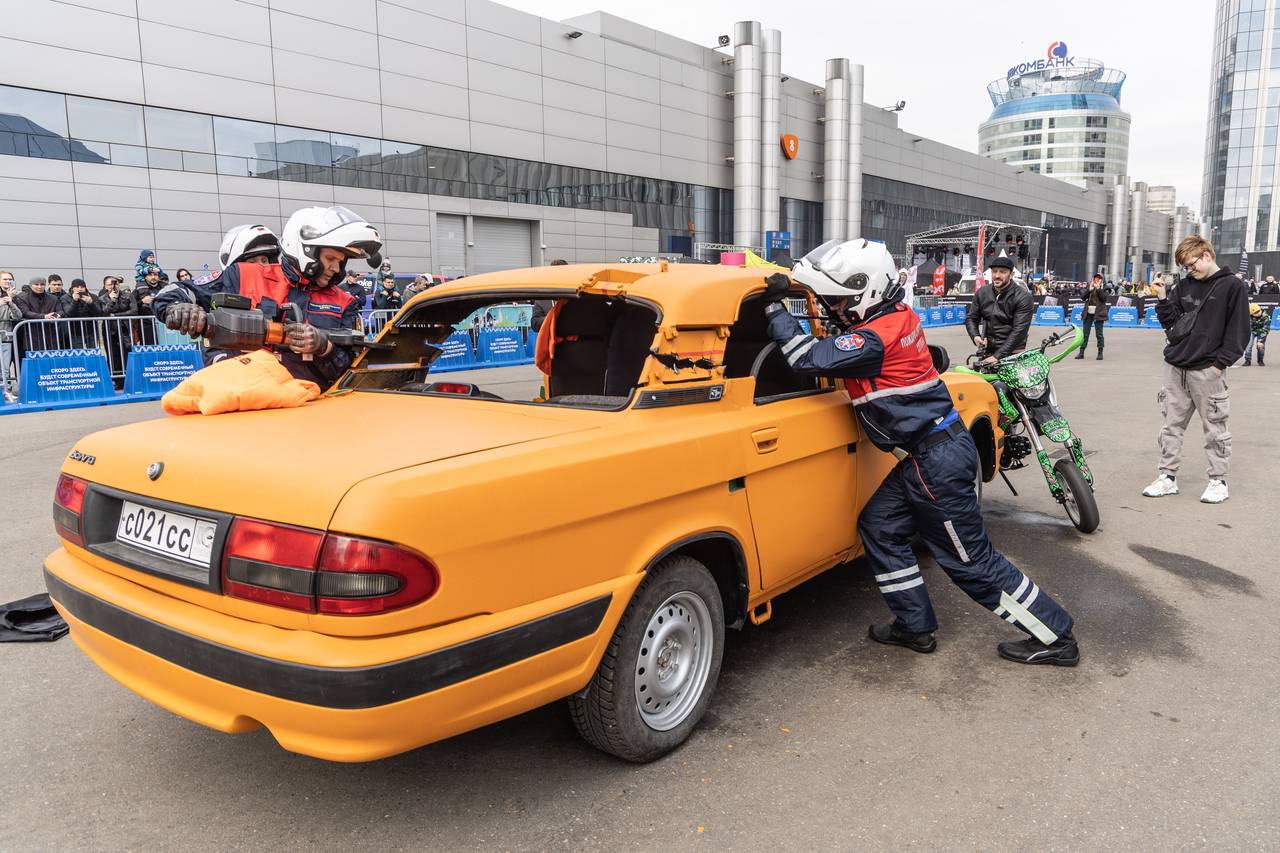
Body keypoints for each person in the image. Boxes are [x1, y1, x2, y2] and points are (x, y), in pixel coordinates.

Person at [762, 239, 1079, 665]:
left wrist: (774, 309)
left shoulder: (872, 339)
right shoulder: (899, 316)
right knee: (879, 526)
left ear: (865, 292)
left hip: (936, 462)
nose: (835, 309)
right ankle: (914, 626)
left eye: (839, 301)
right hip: (934, 453)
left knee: (971, 563)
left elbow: (805, 358)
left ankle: (1056, 636)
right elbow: (856, 343)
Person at [161, 208, 381, 386]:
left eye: (341, 262)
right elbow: (174, 292)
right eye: (331, 258)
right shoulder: (243, 274)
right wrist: (180, 308)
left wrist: (324, 348)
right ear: (305, 250)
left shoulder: (345, 302)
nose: (336, 268)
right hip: (247, 404)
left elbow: (351, 369)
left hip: (313, 410)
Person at [1143, 236, 1250, 504]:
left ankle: (1218, 480)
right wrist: (1163, 296)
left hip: (1208, 370)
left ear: (1206, 255)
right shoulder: (1184, 285)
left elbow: (1239, 330)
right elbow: (1172, 326)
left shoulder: (1232, 286)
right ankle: (1167, 477)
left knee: (1215, 427)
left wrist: (1219, 365)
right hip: (1175, 366)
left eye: (1192, 265)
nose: (1190, 270)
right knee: (1171, 426)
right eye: (1186, 267)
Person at [964, 255, 1033, 366]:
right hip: (987, 350)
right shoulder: (982, 292)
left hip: (1013, 353)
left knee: (1007, 384)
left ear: (1012, 274)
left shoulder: (1023, 296)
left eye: (1002, 272)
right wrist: (975, 336)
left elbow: (1019, 331)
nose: (997, 275)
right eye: (994, 271)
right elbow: (971, 318)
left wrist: (997, 356)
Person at [1075, 273, 1108, 360]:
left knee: (1099, 334)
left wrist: (1098, 289)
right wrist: (1089, 290)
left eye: (1099, 278)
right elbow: (1082, 297)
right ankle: (1081, 352)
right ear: (1093, 279)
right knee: (1085, 334)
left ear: (1101, 280)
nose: (1097, 280)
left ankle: (1100, 353)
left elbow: (1104, 299)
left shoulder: (1104, 288)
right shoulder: (1089, 287)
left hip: (1099, 313)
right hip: (1088, 313)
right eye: (1096, 278)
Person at [62, 279, 103, 348]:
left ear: (85, 287)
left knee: (93, 352)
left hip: (91, 331)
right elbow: (68, 314)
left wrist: (91, 303)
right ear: (72, 288)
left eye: (82, 287)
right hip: (75, 331)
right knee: (78, 353)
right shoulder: (65, 298)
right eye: (77, 287)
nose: (80, 289)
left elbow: (99, 313)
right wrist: (75, 301)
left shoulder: (93, 296)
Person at [0, 271, 20, 400]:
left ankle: (4, 394)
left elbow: (17, 316)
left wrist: (11, 301)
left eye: (10, 279)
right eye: (5, 279)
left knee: (5, 369)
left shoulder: (14, 295)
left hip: (6, 337)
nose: (8, 281)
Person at [1244, 302, 1269, 366]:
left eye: (1258, 311)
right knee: (1248, 346)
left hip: (1261, 332)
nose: (1258, 313)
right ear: (1252, 314)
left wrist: (1261, 341)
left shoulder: (1265, 316)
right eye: (1255, 313)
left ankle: (1260, 360)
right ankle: (1247, 360)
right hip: (1252, 331)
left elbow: (1265, 330)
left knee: (1260, 347)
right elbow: (1247, 327)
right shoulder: (1248, 317)